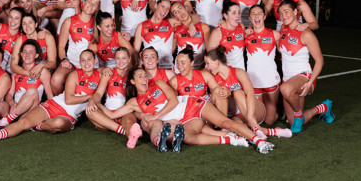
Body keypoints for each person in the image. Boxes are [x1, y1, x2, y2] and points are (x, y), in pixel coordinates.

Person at [97, 68, 274, 153]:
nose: (144, 78)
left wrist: (156, 116)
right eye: (140, 76)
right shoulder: (134, 102)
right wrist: (95, 103)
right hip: (184, 120)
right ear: (133, 82)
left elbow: (174, 100)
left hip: (191, 104)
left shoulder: (158, 83)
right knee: (189, 138)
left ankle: (259, 141)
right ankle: (231, 140)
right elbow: (112, 115)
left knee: (225, 122)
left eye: (145, 74)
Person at [0, 50, 102, 143]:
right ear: (79, 62)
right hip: (55, 104)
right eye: (83, 60)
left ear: (95, 61)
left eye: (89, 59)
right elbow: (68, 99)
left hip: (70, 114)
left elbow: (100, 91)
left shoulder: (102, 75)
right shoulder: (74, 74)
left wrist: (92, 95)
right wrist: (89, 97)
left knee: (58, 124)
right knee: (24, 122)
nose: (86, 63)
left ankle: (36, 125)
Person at [205, 47, 292, 139]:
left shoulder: (238, 72)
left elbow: (250, 94)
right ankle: (272, 131)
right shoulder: (212, 78)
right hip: (236, 115)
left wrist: (250, 117)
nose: (206, 67)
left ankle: (254, 125)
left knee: (238, 93)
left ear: (217, 62)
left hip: (252, 109)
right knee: (238, 127)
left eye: (207, 63)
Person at [278, 0, 334, 133]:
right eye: (280, 13)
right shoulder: (283, 29)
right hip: (288, 78)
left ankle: (298, 114)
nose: (283, 16)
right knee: (293, 125)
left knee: (285, 89)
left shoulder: (306, 34)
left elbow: (320, 61)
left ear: (296, 12)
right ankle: (323, 108)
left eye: (286, 12)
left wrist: (309, 84)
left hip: (304, 77)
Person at [0, 39, 54, 129]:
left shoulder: (43, 72)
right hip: (14, 110)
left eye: (31, 52)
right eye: (24, 52)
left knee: (32, 90)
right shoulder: (16, 72)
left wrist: (52, 114)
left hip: (29, 111)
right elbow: (9, 95)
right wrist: (12, 103)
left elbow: (50, 96)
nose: (27, 55)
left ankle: (7, 120)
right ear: (21, 54)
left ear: (36, 55)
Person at [85, 47, 143, 148]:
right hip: (107, 113)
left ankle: (131, 137)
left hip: (125, 112)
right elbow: (98, 93)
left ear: (129, 59)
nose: (120, 61)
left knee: (130, 122)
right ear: (114, 59)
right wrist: (92, 101)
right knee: (90, 111)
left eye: (124, 58)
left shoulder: (133, 75)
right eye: (118, 58)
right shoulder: (109, 73)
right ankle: (121, 130)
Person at [51, 0, 100, 95]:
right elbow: (61, 47)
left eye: (95, 4)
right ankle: (61, 105)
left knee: (89, 90)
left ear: (97, 9)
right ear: (83, 3)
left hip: (91, 65)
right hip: (72, 62)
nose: (91, 5)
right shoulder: (69, 21)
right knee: (55, 80)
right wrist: (64, 59)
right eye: (90, 1)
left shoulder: (98, 23)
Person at [245, 4, 282, 126]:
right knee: (259, 119)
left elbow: (285, 53)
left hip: (271, 81)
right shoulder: (246, 36)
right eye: (253, 14)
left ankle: (279, 111)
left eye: (259, 13)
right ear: (250, 18)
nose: (256, 16)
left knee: (269, 121)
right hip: (254, 83)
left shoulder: (275, 34)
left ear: (265, 16)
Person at [133, 0, 176, 70]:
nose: (164, 11)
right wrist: (139, 67)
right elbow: (135, 52)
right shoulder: (141, 26)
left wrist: (191, 25)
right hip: (149, 68)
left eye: (167, 9)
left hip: (167, 67)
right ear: (156, 6)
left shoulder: (172, 23)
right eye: (162, 7)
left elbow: (191, 19)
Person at [206, 0, 246, 69]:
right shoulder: (218, 32)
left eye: (239, 12)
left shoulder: (242, 27)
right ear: (225, 15)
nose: (238, 16)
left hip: (240, 72)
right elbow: (210, 58)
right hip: (225, 74)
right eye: (234, 13)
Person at [170, 2, 211, 69]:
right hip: (180, 69)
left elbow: (209, 50)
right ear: (175, 17)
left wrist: (207, 67)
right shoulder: (176, 30)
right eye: (175, 12)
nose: (180, 12)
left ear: (186, 8)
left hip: (198, 67)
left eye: (180, 8)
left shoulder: (203, 27)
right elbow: (171, 50)